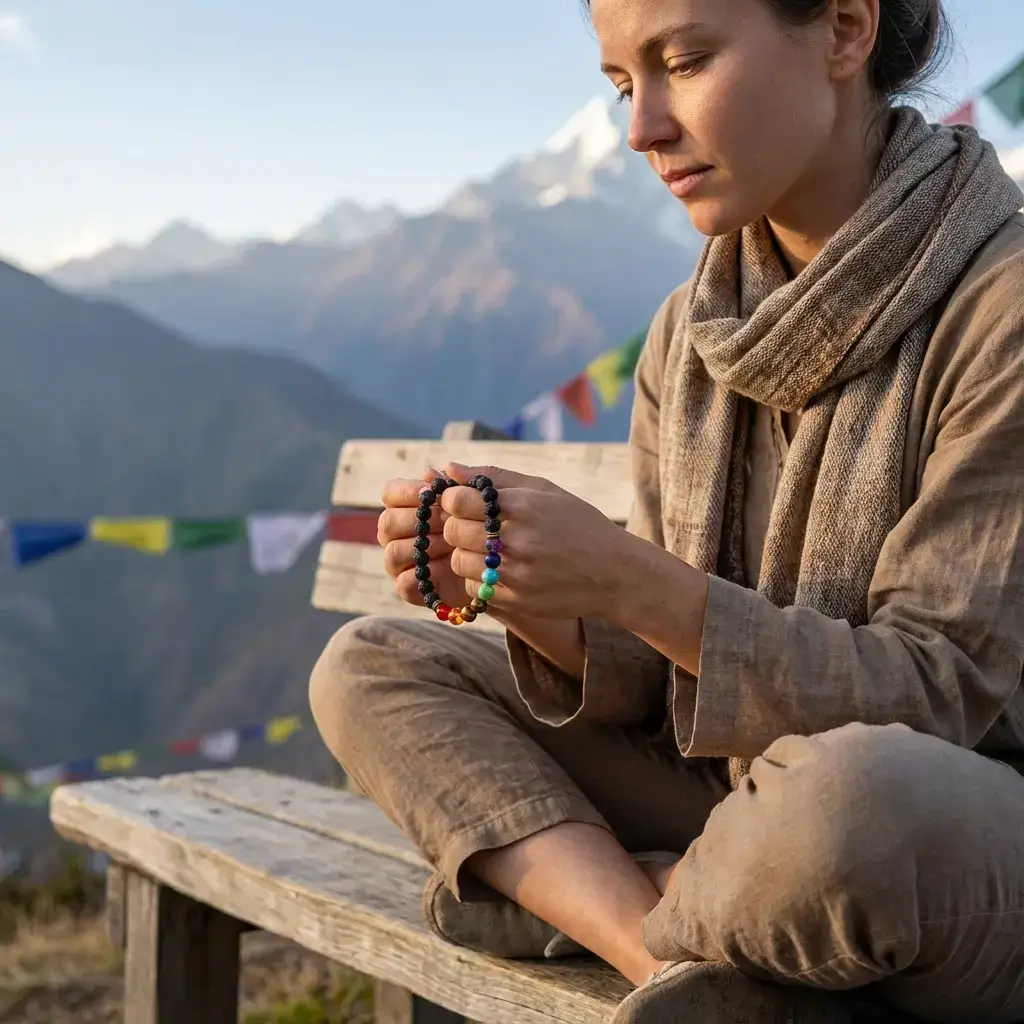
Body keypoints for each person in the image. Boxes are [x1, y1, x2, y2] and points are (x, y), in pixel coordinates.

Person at [309, 0, 1024, 1020]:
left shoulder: (1002, 306)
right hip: (743, 807)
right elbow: (677, 684)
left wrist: (624, 576)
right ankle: (668, 962)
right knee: (376, 665)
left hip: (954, 830)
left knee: (849, 800)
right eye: (617, 86)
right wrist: (541, 603)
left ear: (845, 28)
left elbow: (938, 699)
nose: (640, 128)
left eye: (683, 61)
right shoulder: (692, 332)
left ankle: (593, 897)